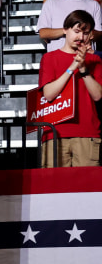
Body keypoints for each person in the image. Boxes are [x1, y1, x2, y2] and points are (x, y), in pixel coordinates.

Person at [39, 10, 102, 167]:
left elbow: (97, 96)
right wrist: (72, 66)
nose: (80, 37)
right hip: (55, 132)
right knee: (54, 187)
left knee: (87, 188)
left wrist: (82, 68)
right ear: (65, 29)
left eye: (86, 33)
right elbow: (48, 94)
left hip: (87, 133)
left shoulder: (95, 60)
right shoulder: (49, 58)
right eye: (76, 31)